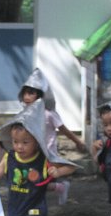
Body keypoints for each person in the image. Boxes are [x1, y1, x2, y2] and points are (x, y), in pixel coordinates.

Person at [18, 68, 86, 205]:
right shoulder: (24, 115)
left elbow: (64, 130)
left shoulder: (48, 115)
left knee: (37, 181)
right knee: (30, 181)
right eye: (25, 92)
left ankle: (56, 189)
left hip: (47, 154)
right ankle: (59, 187)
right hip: (31, 152)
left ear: (39, 96)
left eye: (31, 93)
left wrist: (77, 142)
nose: (26, 96)